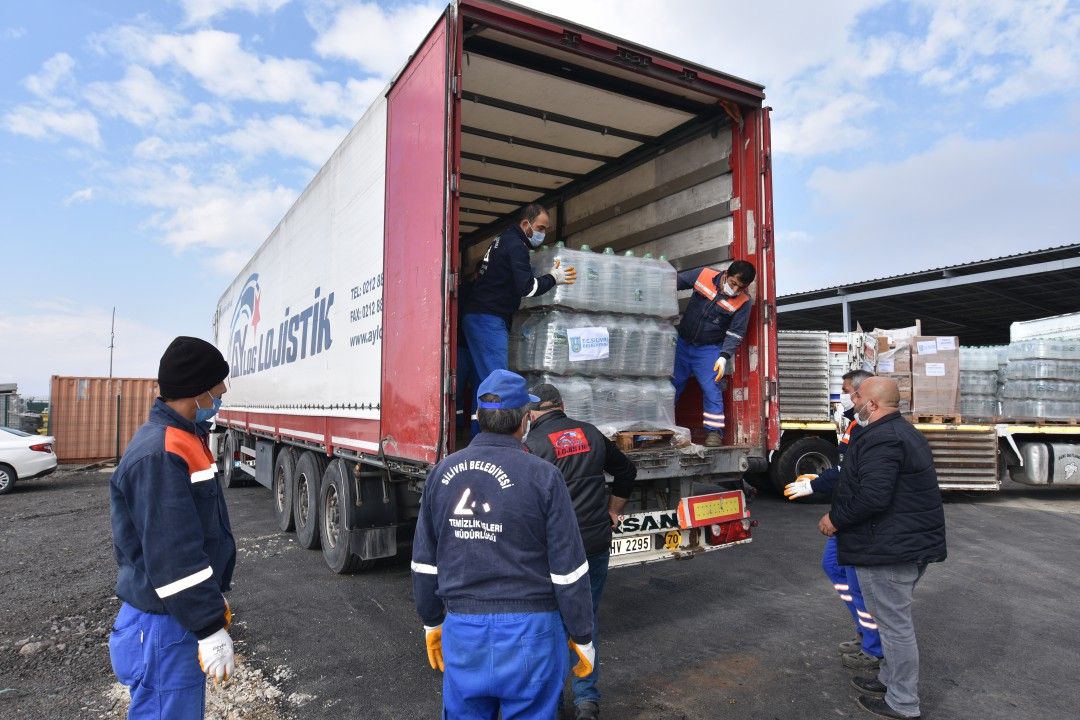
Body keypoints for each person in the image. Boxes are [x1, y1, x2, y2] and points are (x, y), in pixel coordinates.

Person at [411, 369, 595, 719]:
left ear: (478, 418)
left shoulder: (441, 473)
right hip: (532, 634)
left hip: (464, 632)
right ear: (525, 420)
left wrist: (432, 622)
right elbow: (568, 569)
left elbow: (424, 562)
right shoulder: (543, 476)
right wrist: (582, 635)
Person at [109, 336, 237, 719]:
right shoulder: (162, 453)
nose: (221, 396)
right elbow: (174, 555)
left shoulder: (184, 439)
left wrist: (212, 600)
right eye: (217, 390)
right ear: (195, 393)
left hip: (171, 612)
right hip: (166, 621)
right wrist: (209, 626)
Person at [818, 376, 947, 720]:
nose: (852, 400)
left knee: (894, 626)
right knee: (891, 622)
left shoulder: (882, 438)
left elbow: (873, 496)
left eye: (856, 396)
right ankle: (890, 680)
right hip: (902, 543)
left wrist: (836, 519)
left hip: (890, 548)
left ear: (872, 404)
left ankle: (902, 703)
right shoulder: (901, 432)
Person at [523, 383, 637, 720]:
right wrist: (613, 511)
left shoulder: (530, 447)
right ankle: (586, 700)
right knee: (584, 620)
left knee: (553, 623)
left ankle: (554, 702)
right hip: (595, 543)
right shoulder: (591, 433)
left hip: (555, 550)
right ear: (563, 404)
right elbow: (626, 470)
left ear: (531, 414)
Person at [785, 370, 883, 672]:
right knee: (834, 568)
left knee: (858, 582)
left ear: (860, 394)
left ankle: (874, 647)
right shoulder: (855, 424)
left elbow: (855, 477)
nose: (842, 397)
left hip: (854, 517)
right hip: (846, 510)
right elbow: (843, 468)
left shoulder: (869, 429)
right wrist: (820, 478)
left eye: (845, 391)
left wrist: (815, 486)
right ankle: (865, 632)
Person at [462, 203, 577, 381]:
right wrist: (554, 277)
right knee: (498, 381)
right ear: (525, 224)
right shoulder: (516, 245)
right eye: (540, 228)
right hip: (488, 318)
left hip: (480, 316)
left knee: (486, 381)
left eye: (545, 229)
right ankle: (494, 410)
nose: (543, 234)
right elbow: (528, 288)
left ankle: (482, 409)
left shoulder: (504, 239)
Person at [671, 259, 756, 447]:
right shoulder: (704, 275)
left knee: (712, 389)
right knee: (671, 387)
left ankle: (714, 433)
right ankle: (661, 426)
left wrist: (724, 356)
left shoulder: (743, 302)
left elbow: (736, 332)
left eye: (740, 287)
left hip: (708, 350)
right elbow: (673, 282)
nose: (734, 290)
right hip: (682, 345)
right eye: (733, 283)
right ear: (726, 274)